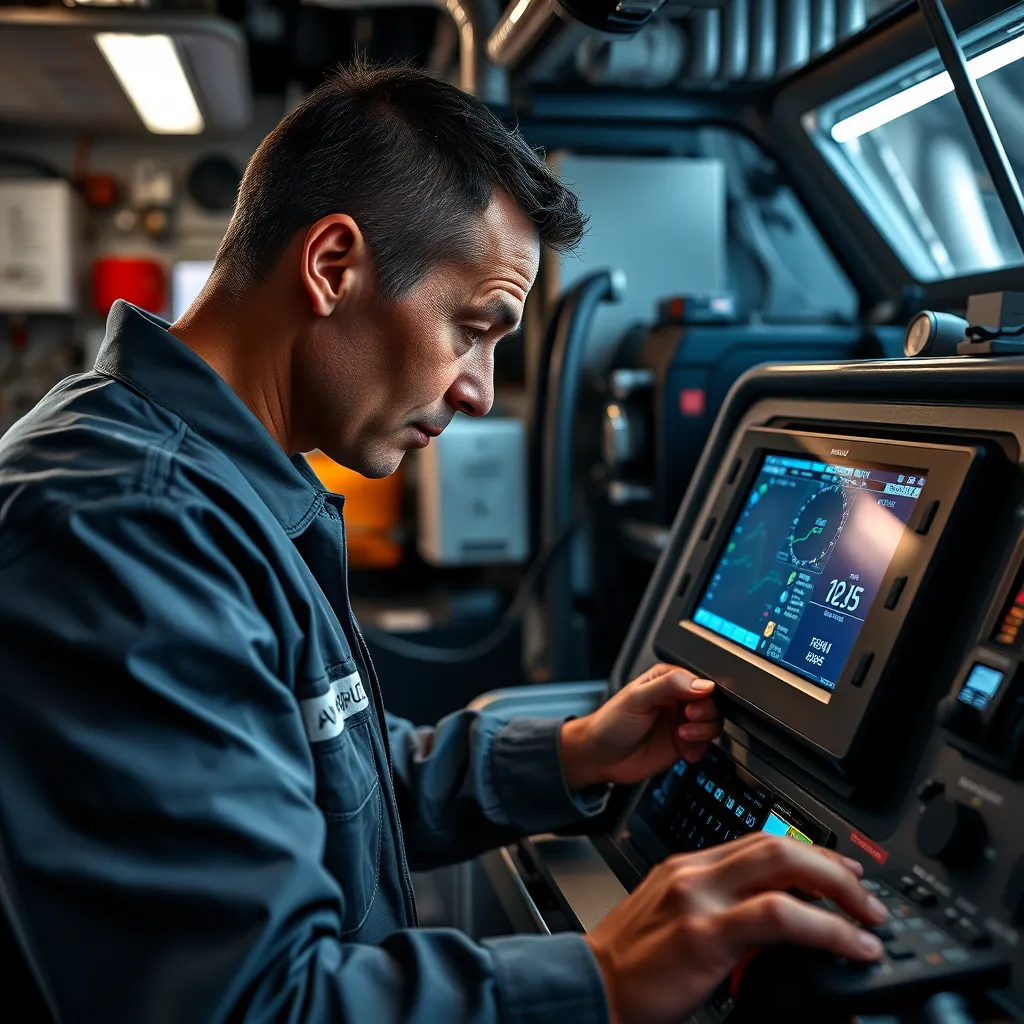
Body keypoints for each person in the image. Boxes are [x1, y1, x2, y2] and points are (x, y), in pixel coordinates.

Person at [0, 60, 886, 1024]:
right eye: (474, 327)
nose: (480, 389)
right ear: (332, 266)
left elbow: (313, 773)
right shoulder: (123, 527)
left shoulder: (208, 483)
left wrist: (572, 755)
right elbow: (245, 1004)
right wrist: (603, 978)